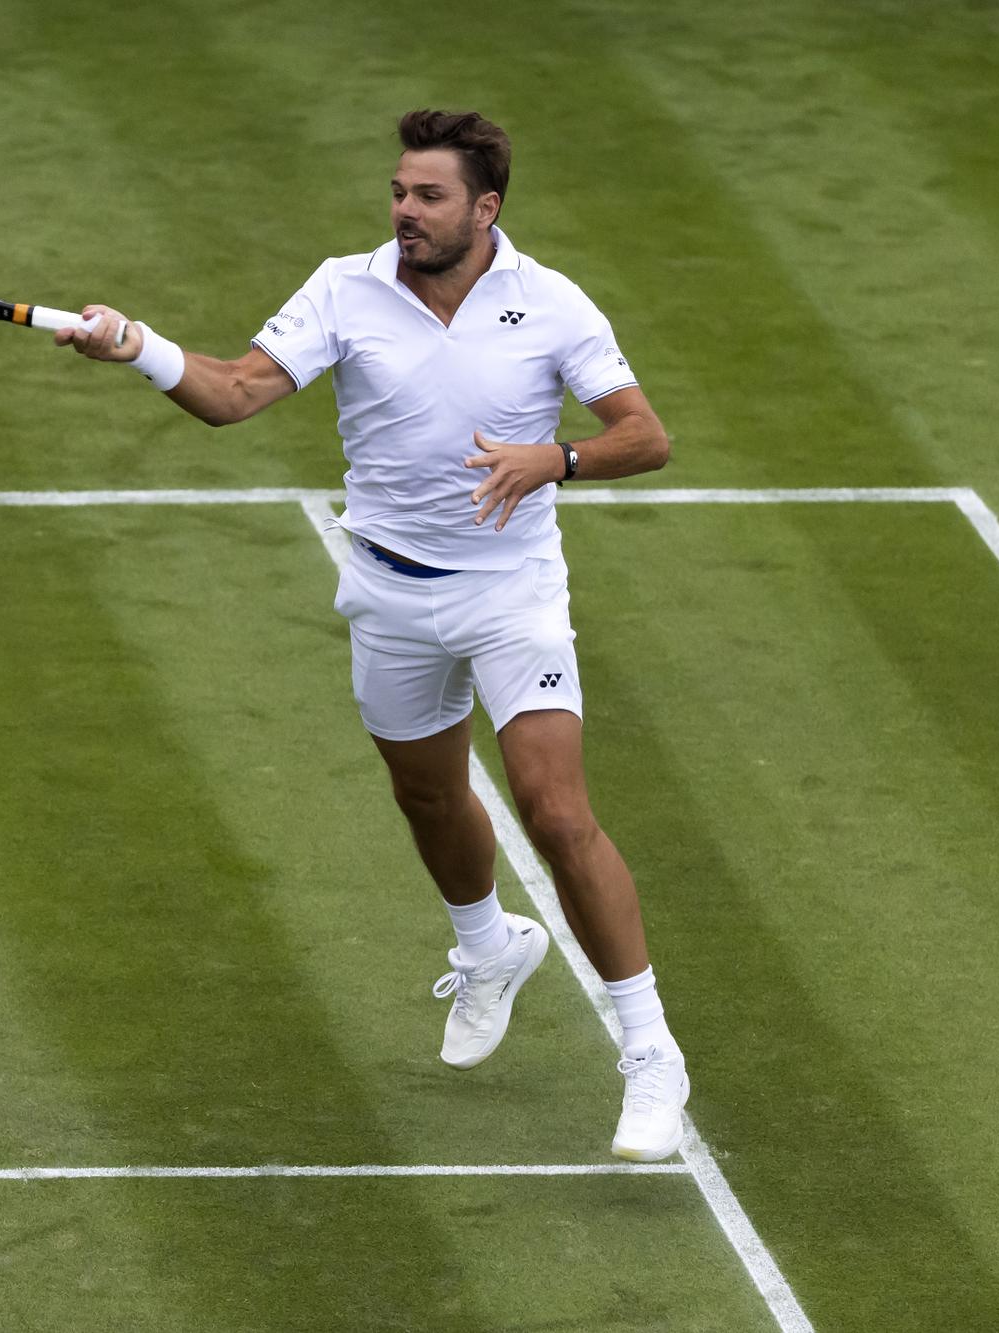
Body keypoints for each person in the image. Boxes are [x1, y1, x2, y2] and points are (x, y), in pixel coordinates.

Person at [57, 109, 687, 1160]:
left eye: (427, 196)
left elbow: (645, 437)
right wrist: (135, 345)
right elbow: (234, 393)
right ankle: (488, 948)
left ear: (483, 209)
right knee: (427, 793)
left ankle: (649, 1052)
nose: (403, 209)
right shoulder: (342, 289)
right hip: (389, 592)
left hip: (509, 592)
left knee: (551, 808)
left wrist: (557, 460)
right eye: (398, 191)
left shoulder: (551, 302)